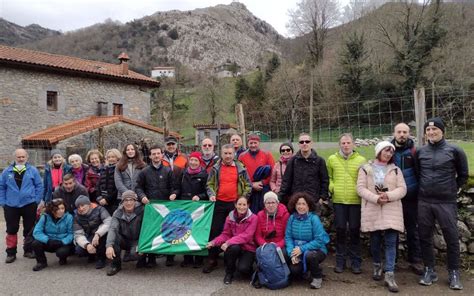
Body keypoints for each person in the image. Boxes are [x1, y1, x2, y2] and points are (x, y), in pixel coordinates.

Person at [416, 117, 468, 290]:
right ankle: (429, 270)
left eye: (435, 129)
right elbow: (418, 174)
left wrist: (452, 189)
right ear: (425, 134)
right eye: (428, 130)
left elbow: (463, 175)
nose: (431, 132)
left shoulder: (455, 151)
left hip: (446, 202)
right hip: (424, 201)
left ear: (442, 131)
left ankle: (454, 272)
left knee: (451, 237)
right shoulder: (421, 152)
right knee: (424, 237)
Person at [357, 141, 406, 293]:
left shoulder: (396, 170)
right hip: (373, 208)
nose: (388, 154)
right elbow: (360, 188)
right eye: (386, 151)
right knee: (376, 241)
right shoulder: (365, 169)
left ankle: (389, 274)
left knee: (391, 242)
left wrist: (388, 195)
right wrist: (375, 198)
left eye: (391, 152)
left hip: (391, 209)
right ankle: (377, 265)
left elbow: (402, 188)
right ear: (379, 151)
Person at [204, 144, 252, 273]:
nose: (228, 156)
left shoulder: (241, 168)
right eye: (225, 153)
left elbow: (248, 185)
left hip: (235, 205)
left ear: (234, 154)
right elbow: (209, 184)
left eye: (230, 153)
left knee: (234, 232)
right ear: (221, 154)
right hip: (219, 203)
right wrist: (212, 194)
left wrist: (242, 199)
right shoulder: (215, 168)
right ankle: (212, 259)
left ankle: (229, 260)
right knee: (215, 231)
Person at [326, 133, 366, 274]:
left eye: (348, 142)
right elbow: (329, 176)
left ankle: (356, 262)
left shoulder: (361, 160)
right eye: (343, 143)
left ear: (353, 144)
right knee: (341, 230)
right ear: (339, 145)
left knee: (355, 230)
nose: (346, 145)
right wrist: (332, 187)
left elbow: (365, 179)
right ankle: (340, 261)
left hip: (355, 201)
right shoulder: (332, 159)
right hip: (339, 201)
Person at [0, 149, 43, 263]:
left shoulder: (32, 170)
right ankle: (11, 253)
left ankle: (28, 250)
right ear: (15, 158)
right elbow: (1, 187)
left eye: (23, 157)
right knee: (11, 229)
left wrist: (36, 200)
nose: (21, 159)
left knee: (29, 229)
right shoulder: (6, 171)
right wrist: (3, 202)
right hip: (11, 205)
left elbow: (39, 186)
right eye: (19, 157)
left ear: (27, 157)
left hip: (29, 204)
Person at [135, 144, 176, 267]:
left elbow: (175, 187)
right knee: (152, 232)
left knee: (169, 231)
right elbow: (138, 187)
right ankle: (151, 258)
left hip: (166, 207)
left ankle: (170, 257)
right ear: (150, 156)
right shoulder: (144, 172)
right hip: (151, 208)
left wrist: (174, 194)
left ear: (162, 155)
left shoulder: (168, 171)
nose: (156, 156)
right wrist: (142, 197)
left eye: (158, 153)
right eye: (154, 154)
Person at [391, 123, 423, 275]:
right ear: (394, 133)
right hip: (393, 198)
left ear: (409, 134)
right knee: (392, 230)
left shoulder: (415, 151)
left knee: (412, 230)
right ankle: (393, 260)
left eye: (405, 132)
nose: (402, 134)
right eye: (399, 132)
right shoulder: (387, 150)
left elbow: (420, 173)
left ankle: (415, 260)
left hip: (411, 197)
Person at [207, 196, 258, 285]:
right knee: (232, 248)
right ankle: (229, 273)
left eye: (244, 204)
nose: (241, 207)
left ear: (248, 205)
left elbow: (247, 236)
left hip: (248, 248)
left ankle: (248, 269)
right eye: (239, 204)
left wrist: (228, 242)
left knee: (243, 269)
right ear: (235, 205)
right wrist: (213, 242)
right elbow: (225, 234)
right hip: (235, 246)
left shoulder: (254, 218)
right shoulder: (230, 217)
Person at [170, 151, 208, 268]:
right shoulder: (183, 173)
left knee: (197, 231)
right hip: (184, 206)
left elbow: (207, 191)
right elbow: (177, 187)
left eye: (195, 160)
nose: (193, 162)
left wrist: (200, 196)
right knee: (185, 231)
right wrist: (175, 194)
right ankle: (187, 258)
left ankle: (199, 258)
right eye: (191, 160)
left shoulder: (204, 174)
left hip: (198, 208)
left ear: (199, 162)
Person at [285, 192, 330, 289]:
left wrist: (301, 249)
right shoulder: (292, 218)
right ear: (295, 205)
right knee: (294, 271)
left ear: (308, 206)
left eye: (303, 204)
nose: (301, 207)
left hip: (317, 250)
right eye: (298, 204)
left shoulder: (314, 219)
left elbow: (319, 240)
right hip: (297, 250)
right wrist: (291, 253)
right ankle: (308, 270)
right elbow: (288, 237)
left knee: (310, 256)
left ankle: (317, 277)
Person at [279, 133, 329, 207]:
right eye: (301, 142)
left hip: (314, 201)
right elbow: (286, 182)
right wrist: (280, 198)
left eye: (307, 141)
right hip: (297, 201)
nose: (304, 144)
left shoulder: (320, 161)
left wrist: (322, 198)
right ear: (298, 144)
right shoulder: (292, 161)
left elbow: (325, 181)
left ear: (311, 143)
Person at [105, 190, 146, 276]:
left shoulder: (142, 210)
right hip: (124, 240)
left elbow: (147, 229)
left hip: (138, 240)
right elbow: (112, 229)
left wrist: (143, 244)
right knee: (114, 237)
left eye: (131, 200)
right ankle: (115, 265)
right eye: (126, 200)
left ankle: (142, 258)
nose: (128, 203)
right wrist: (109, 246)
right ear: (122, 202)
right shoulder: (117, 213)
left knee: (134, 255)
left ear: (135, 201)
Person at [31, 198, 74, 271]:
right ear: (52, 210)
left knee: (62, 252)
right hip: (49, 241)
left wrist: (63, 242)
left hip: (62, 242)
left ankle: (63, 258)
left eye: (62, 208)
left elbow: (71, 234)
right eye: (57, 209)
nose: (61, 211)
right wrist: (47, 240)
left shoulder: (69, 217)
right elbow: (37, 232)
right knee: (36, 243)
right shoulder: (45, 217)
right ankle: (41, 262)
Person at [238, 134, 275, 213]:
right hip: (248, 188)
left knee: (263, 211)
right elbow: (239, 175)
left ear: (259, 143)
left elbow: (273, 172)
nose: (253, 145)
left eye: (255, 143)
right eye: (251, 143)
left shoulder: (267, 155)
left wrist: (262, 182)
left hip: (263, 188)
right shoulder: (242, 156)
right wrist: (251, 184)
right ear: (247, 144)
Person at [73, 195, 111, 269]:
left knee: (103, 239)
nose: (81, 208)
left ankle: (101, 258)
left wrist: (98, 234)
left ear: (89, 204)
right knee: (79, 250)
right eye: (78, 207)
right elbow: (78, 234)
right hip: (89, 235)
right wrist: (86, 245)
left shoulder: (100, 209)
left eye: (83, 205)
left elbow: (108, 222)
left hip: (102, 234)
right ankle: (91, 254)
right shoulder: (76, 217)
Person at [96, 148, 121, 215]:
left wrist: (107, 199)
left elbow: (118, 188)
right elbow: (98, 184)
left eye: (113, 157)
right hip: (102, 200)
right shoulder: (104, 169)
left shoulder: (119, 169)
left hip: (113, 202)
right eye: (109, 157)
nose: (110, 159)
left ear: (117, 157)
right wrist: (99, 198)